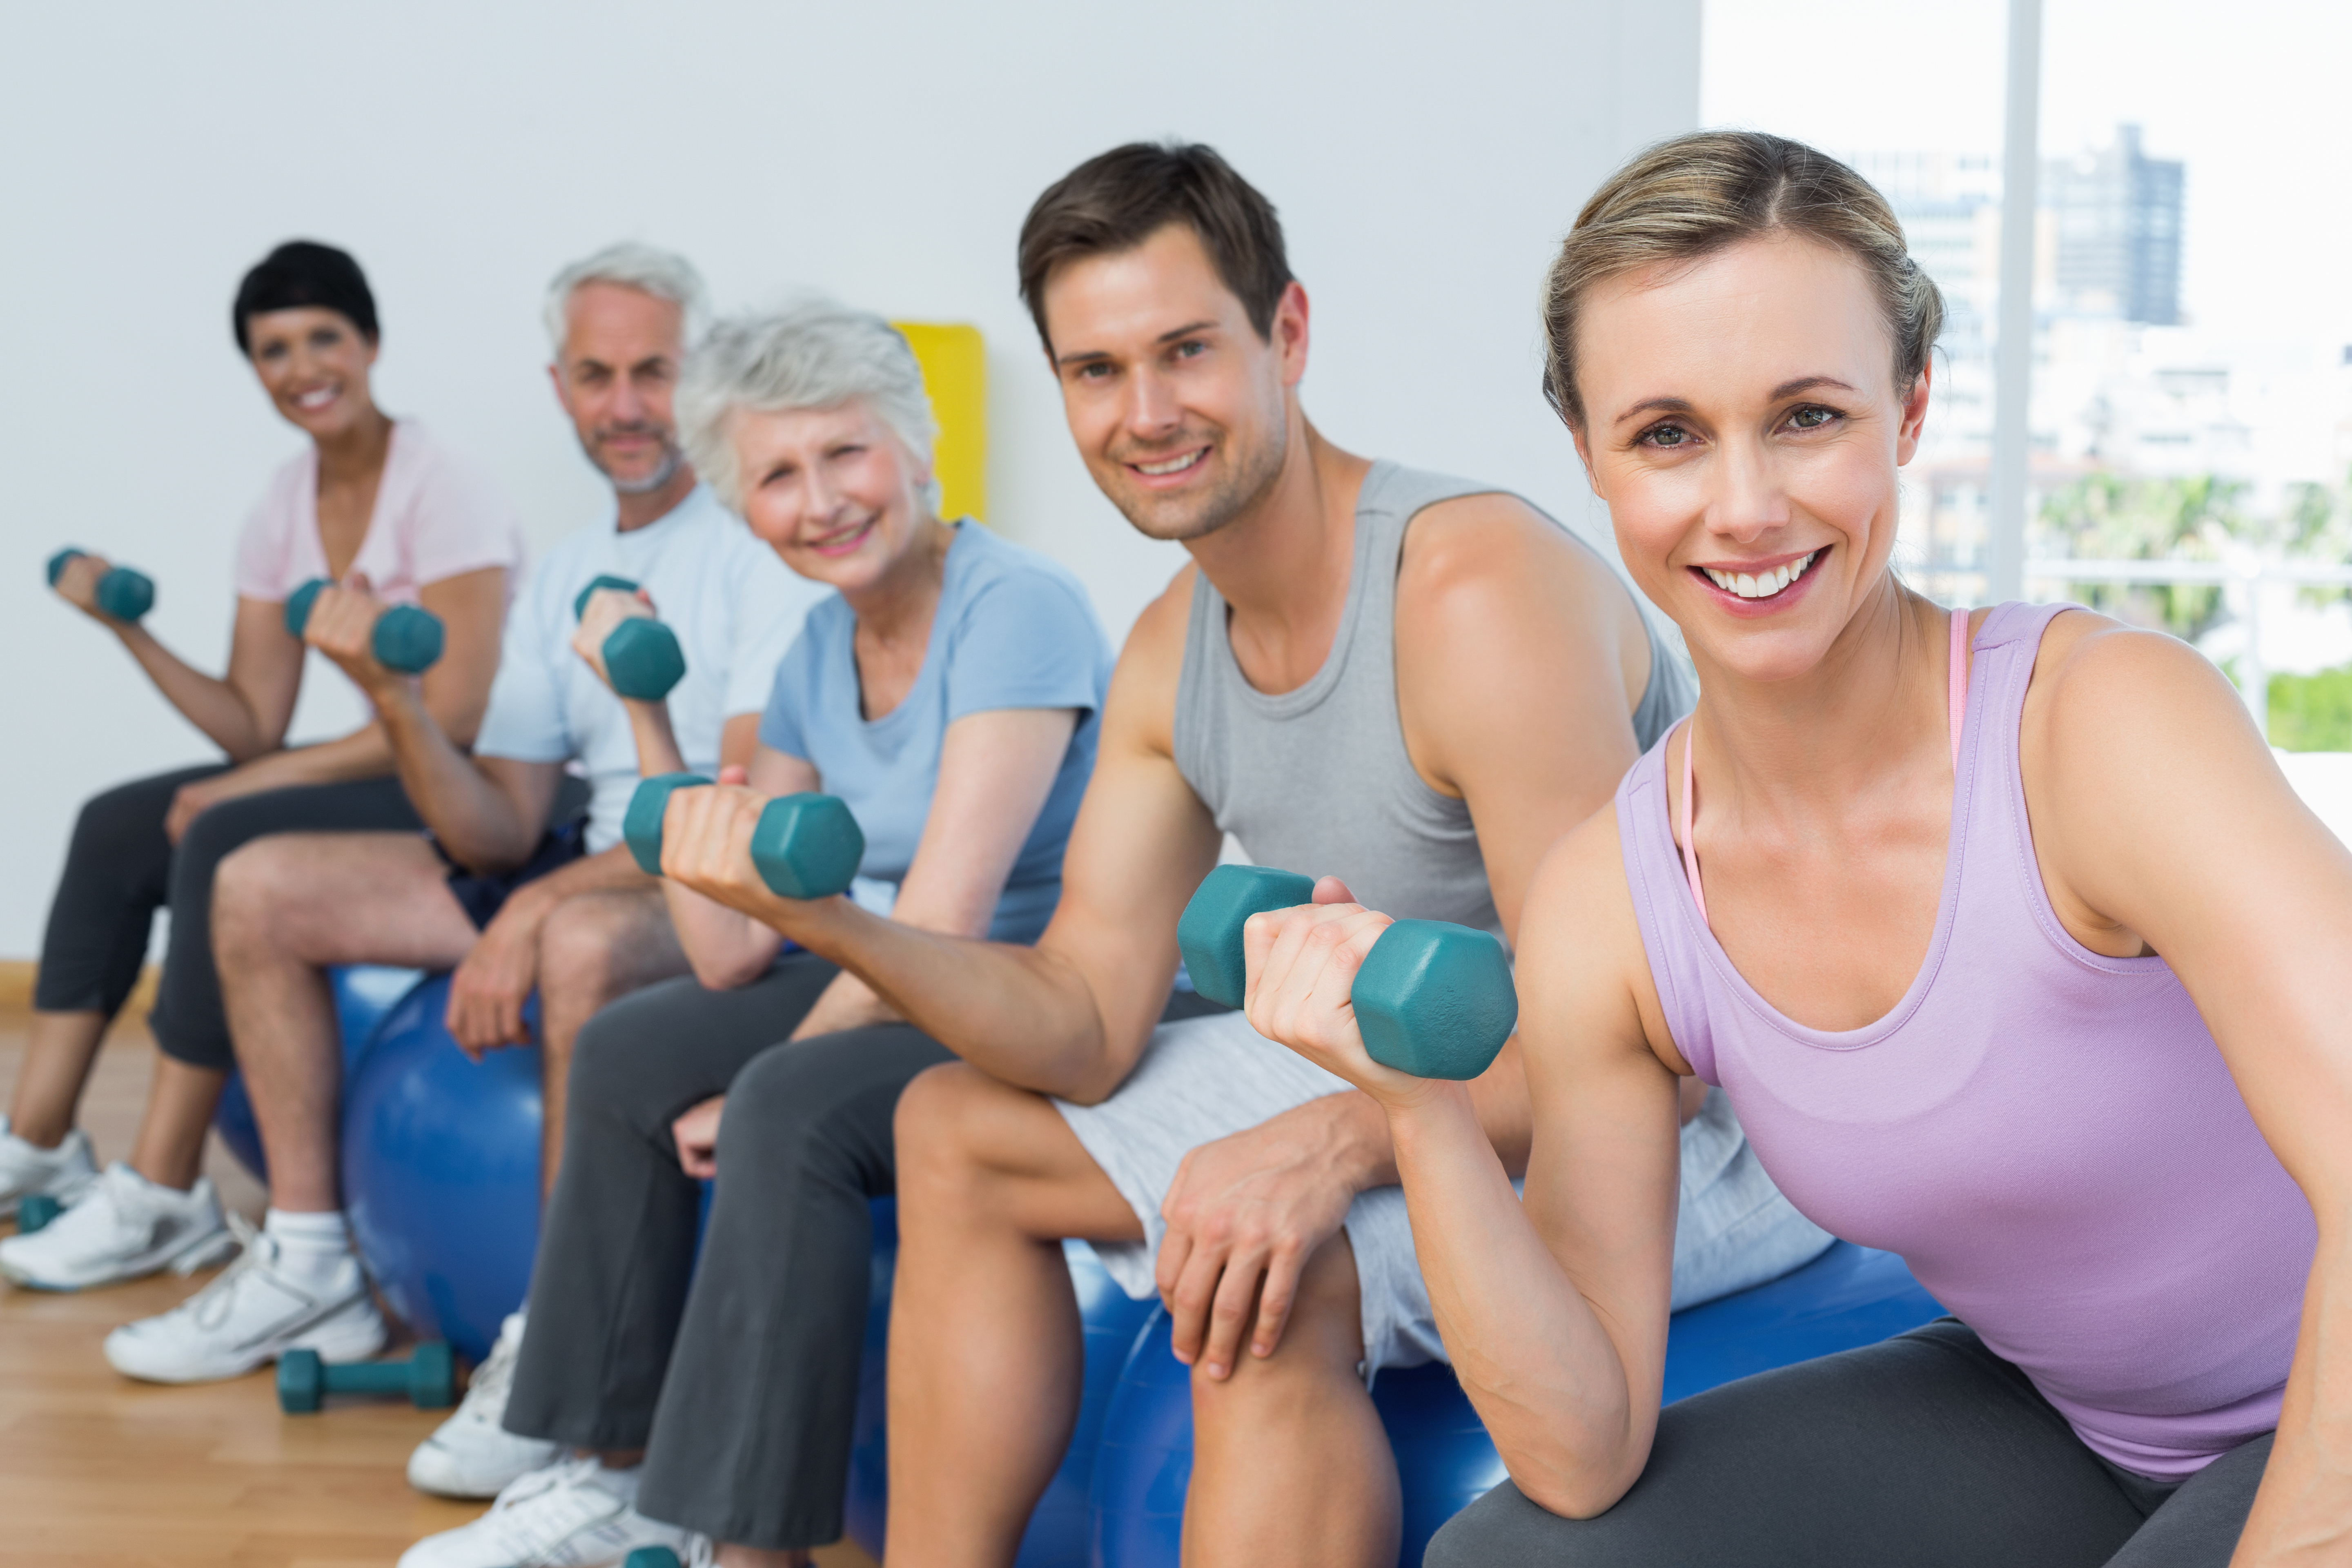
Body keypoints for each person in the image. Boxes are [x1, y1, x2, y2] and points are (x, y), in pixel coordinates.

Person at [624, 143, 1828, 1567]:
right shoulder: (1167, 652)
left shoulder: (1469, 591)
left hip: (1692, 1120)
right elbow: (1077, 1024)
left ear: (1289, 335)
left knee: (1275, 1259)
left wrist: (1322, 1146)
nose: (1145, 414)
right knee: (952, 1130)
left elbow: (1631, 1040)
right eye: (1095, 371)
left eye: (1186, 350)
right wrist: (828, 920)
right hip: (1437, 1067)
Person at [1238, 131, 2350, 1568]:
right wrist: (1422, 1111)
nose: (1746, 505)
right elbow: (1580, 1450)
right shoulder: (1615, 904)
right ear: (1588, 456)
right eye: (1668, 434)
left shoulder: (2098, 731)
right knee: (1513, 1557)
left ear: (1911, 405)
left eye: (1808, 416)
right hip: (2080, 1424)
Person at [394, 301, 1124, 1568]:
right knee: (626, 1049)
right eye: (778, 476)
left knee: (786, 1101)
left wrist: (754, 1085)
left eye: (846, 454)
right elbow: (731, 946)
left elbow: (947, 923)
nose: (821, 500)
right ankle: (613, 1474)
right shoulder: (813, 649)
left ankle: (747, 1547)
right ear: (743, 503)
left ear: (912, 448)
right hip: (907, 978)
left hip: (1036, 998)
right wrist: (649, 720)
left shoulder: (1016, 610)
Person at [93, 243, 823, 1386]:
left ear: (705, 377)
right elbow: (497, 824)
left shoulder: (759, 547)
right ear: (559, 388)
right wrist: (395, 702)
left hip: (703, 894)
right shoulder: (566, 571)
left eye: (654, 373)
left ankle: (561, 1352)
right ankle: (313, 1263)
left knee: (574, 935)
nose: (625, 408)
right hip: (589, 858)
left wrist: (537, 907)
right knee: (254, 884)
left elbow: (727, 833)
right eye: (596, 376)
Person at [0, 241, 520, 1291]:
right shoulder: (283, 504)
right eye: (273, 349)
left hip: (468, 791)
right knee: (117, 822)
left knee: (230, 825)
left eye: (324, 336)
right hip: (380, 765)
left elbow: (455, 716)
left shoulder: (444, 485)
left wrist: (249, 787)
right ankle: (41, 1136)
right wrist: (126, 633)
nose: (302, 367)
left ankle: (163, 1190)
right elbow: (252, 722)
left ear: (369, 344)